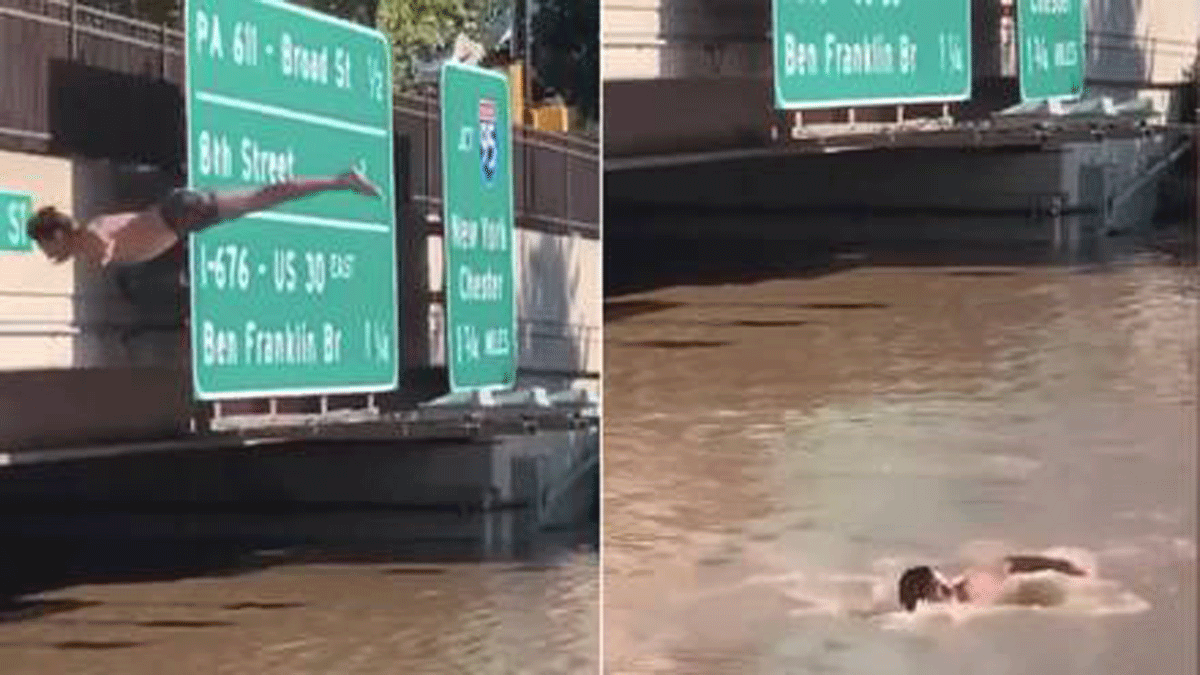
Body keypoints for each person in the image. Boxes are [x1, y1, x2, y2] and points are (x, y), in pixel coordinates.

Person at [26, 168, 381, 267]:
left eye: (45, 247)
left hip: (178, 214)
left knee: (265, 196)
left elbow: (102, 240)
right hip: (180, 218)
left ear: (56, 236)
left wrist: (103, 253)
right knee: (264, 198)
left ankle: (341, 180)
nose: (48, 255)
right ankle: (340, 181)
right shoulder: (85, 235)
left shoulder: (89, 234)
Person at [898, 553, 1087, 612]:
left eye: (938, 583)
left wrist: (1058, 565)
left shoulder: (971, 585)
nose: (940, 589)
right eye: (930, 589)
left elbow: (1011, 564)